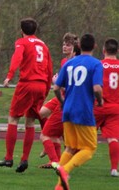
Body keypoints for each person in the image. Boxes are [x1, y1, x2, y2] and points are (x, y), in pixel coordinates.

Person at [0, 17, 53, 173]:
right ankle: (24, 159)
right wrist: (45, 90)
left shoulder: (22, 42)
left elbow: (17, 57)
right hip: (41, 85)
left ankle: (8, 158)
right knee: (30, 122)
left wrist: (9, 75)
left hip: (27, 84)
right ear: (35, 30)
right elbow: (49, 69)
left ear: (22, 31)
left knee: (13, 118)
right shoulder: (43, 45)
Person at [52, 33, 103, 190]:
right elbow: (96, 88)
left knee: (71, 147)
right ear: (94, 46)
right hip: (83, 111)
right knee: (89, 148)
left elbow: (55, 87)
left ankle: (59, 186)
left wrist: (62, 103)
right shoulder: (96, 64)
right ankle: (65, 170)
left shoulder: (69, 63)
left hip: (68, 109)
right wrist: (100, 100)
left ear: (79, 46)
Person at [38, 33, 80, 169]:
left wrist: (57, 82)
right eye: (63, 44)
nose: (64, 47)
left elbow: (72, 86)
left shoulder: (76, 63)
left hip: (66, 99)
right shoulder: (64, 61)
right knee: (40, 113)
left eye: (68, 45)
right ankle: (54, 140)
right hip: (60, 96)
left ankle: (54, 159)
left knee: (44, 135)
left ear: (75, 48)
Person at [94, 38, 119, 177]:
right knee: (113, 138)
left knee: (84, 134)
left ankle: (68, 164)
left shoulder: (99, 65)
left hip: (99, 105)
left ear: (104, 50)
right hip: (115, 108)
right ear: (117, 51)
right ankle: (114, 169)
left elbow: (94, 86)